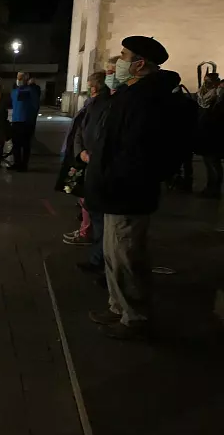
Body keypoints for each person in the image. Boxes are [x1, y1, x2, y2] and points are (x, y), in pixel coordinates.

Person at [84, 36, 178, 340]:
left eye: (124, 56)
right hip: (115, 190)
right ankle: (118, 306)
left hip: (127, 192)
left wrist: (112, 177)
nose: (119, 62)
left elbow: (137, 150)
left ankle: (135, 318)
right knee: (114, 254)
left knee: (127, 255)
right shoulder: (132, 93)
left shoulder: (148, 99)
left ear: (139, 64)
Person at [61, 72, 109, 261]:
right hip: (80, 155)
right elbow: (80, 129)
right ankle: (86, 230)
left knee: (87, 197)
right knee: (80, 194)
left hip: (89, 159)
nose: (88, 88)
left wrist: (84, 151)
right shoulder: (91, 104)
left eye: (90, 85)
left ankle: (88, 234)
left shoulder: (102, 104)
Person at [197, 73, 224, 199]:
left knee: (213, 164)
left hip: (215, 136)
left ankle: (215, 189)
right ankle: (210, 188)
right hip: (206, 135)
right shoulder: (205, 97)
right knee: (209, 163)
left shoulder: (218, 100)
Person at [8, 72, 41, 171]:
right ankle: (17, 163)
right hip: (17, 120)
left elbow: (34, 104)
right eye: (18, 77)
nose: (18, 80)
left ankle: (23, 165)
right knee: (16, 144)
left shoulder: (29, 91)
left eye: (20, 78)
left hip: (26, 121)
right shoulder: (17, 90)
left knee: (25, 144)